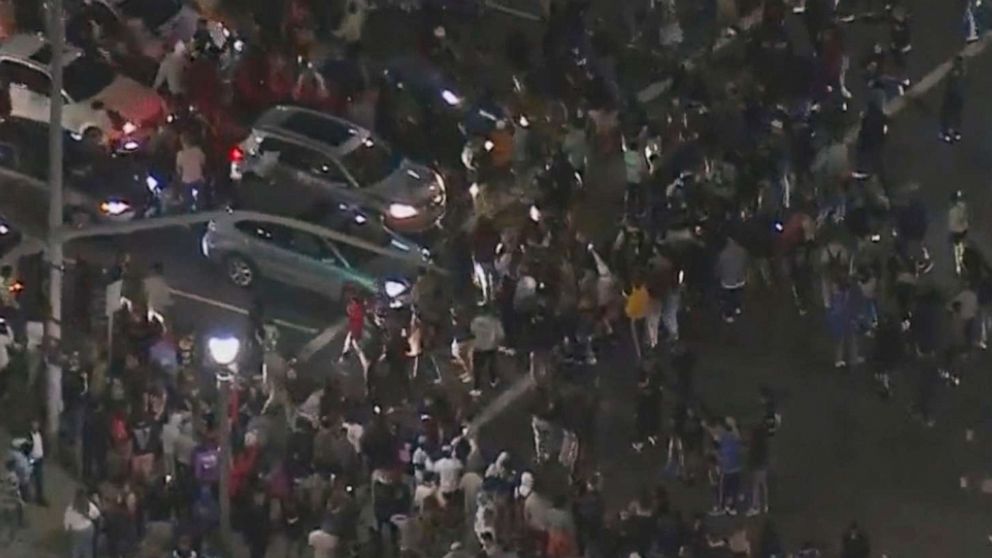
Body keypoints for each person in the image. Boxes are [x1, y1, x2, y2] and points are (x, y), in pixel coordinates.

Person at [469, 305, 505, 396]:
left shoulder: (475, 321)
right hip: (491, 346)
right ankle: (493, 380)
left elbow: (472, 332)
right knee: (492, 365)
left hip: (478, 347)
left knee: (477, 368)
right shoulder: (495, 321)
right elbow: (501, 335)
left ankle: (477, 388)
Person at [175, 132, 207, 211]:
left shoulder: (180, 154)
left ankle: (189, 210)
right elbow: (203, 162)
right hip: (199, 179)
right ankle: (201, 208)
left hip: (187, 180)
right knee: (201, 199)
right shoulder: (198, 151)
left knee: (187, 200)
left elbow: (179, 168)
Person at [64, 489, 100, 558]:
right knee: (88, 548)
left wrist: (67, 530)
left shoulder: (71, 508)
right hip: (88, 529)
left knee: (76, 548)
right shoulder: (89, 505)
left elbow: (67, 521)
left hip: (76, 531)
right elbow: (97, 514)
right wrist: (90, 516)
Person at [940, 56, 965, 143]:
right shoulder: (961, 73)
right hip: (957, 97)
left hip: (953, 96)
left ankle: (947, 133)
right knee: (955, 114)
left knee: (949, 114)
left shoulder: (955, 74)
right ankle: (954, 133)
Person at [948, 190, 969, 275]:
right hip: (962, 230)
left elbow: (953, 222)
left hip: (956, 231)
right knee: (961, 248)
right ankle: (961, 265)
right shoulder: (962, 207)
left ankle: (959, 267)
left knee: (957, 249)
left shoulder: (953, 210)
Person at [27, 420, 45, 506]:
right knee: (29, 478)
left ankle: (39, 498)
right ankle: (27, 496)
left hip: (40, 459)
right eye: (34, 424)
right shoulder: (29, 436)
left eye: (37, 424)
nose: (36, 426)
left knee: (39, 479)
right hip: (33, 459)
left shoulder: (40, 434)